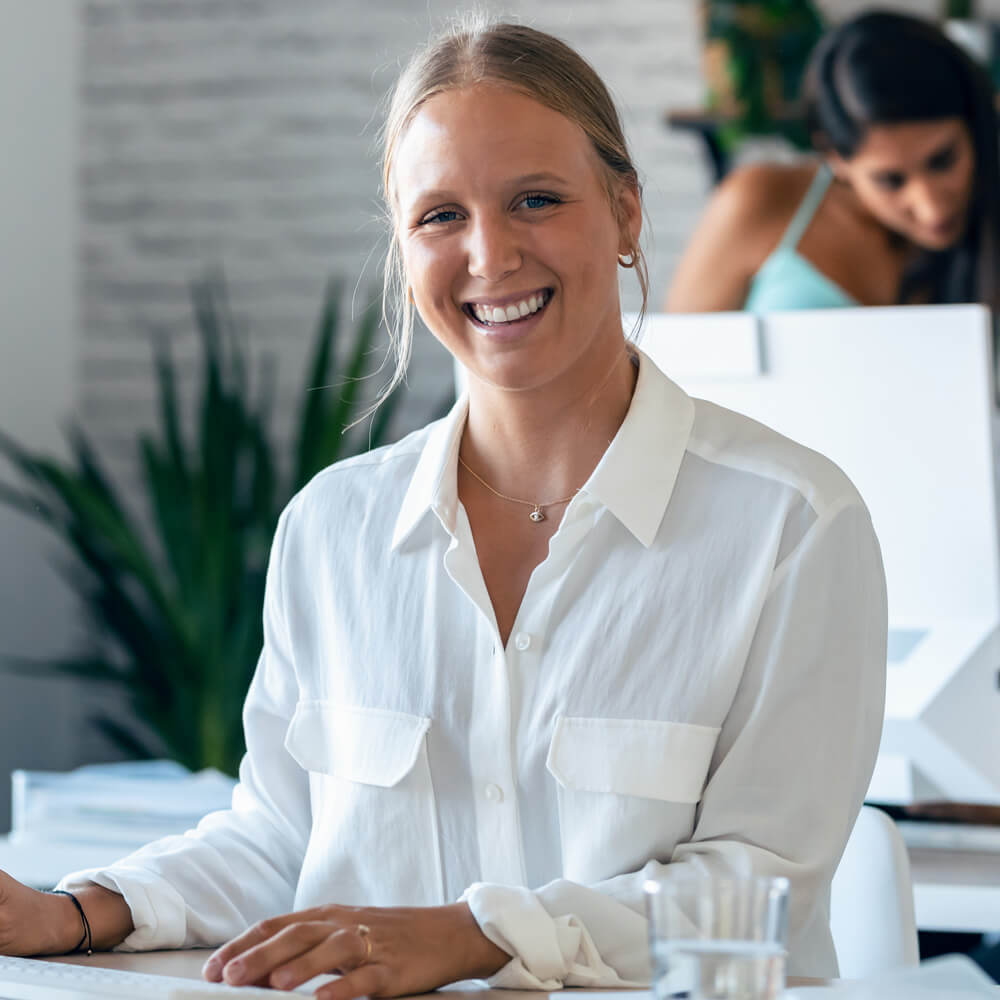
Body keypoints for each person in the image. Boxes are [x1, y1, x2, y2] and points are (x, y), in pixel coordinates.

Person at [0, 19, 887, 997]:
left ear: (626, 212)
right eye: (440, 217)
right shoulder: (331, 529)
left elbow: (752, 884)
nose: (490, 255)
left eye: (535, 200)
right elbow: (283, 836)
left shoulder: (791, 524)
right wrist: (71, 912)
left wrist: (475, 937)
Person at [666, 10, 1000, 313]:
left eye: (943, 161)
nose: (931, 208)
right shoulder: (758, 202)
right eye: (890, 180)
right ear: (836, 158)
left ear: (974, 128)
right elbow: (677, 351)